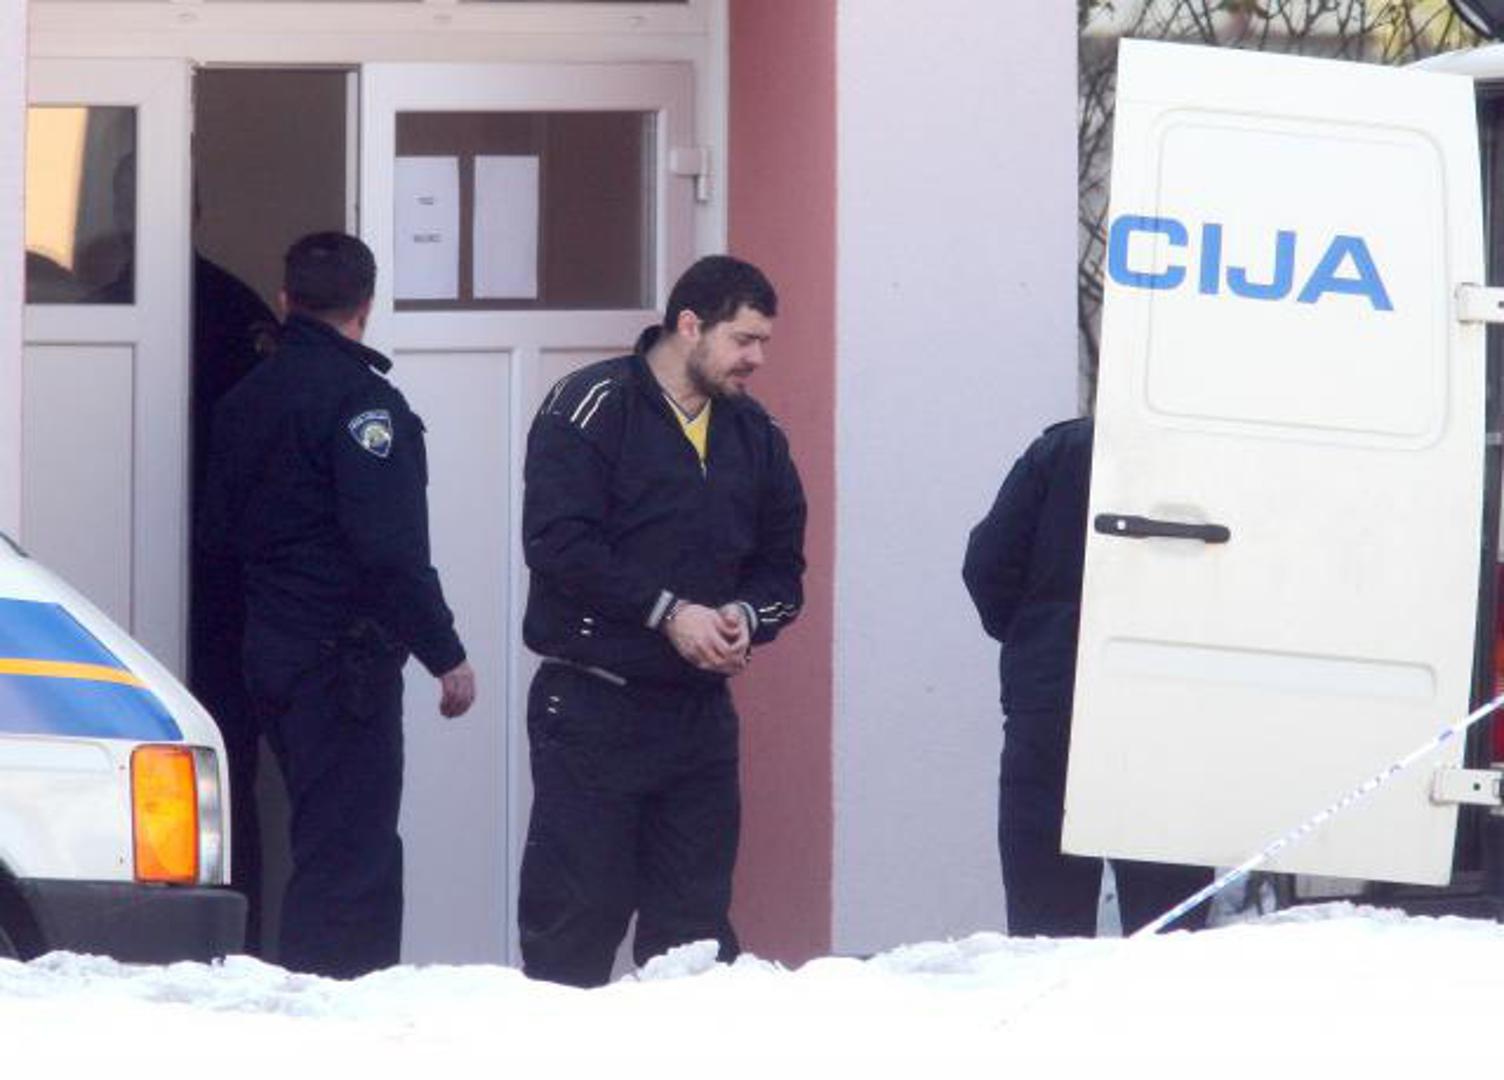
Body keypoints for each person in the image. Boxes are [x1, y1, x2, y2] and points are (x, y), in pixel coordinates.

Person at [518, 254, 806, 987]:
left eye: (764, 342)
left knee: (695, 937)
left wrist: (744, 617)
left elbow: (784, 572)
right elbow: (556, 543)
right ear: (690, 325)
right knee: (575, 924)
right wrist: (668, 613)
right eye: (744, 339)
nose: (757, 359)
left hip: (699, 717)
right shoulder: (591, 405)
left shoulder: (758, 434)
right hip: (592, 703)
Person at [201, 232, 476, 978]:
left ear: (285, 300)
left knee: (323, 840)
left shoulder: (245, 400)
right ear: (367, 306)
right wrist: (445, 653)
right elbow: (389, 552)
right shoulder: (363, 404)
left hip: (270, 652)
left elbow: (218, 531)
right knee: (351, 857)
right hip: (340, 665)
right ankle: (337, 1010)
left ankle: (313, 995)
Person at [962, 417, 1211, 936]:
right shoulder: (1208, 456)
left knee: (1046, 919)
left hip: (1054, 696)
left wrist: (1034, 636)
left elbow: (987, 564)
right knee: (1168, 920)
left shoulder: (1060, 451)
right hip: (1169, 697)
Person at [188, 251, 279, 956]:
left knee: (223, 771)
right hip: (214, 586)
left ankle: (233, 945)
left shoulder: (229, 308)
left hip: (223, 593)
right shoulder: (109, 298)